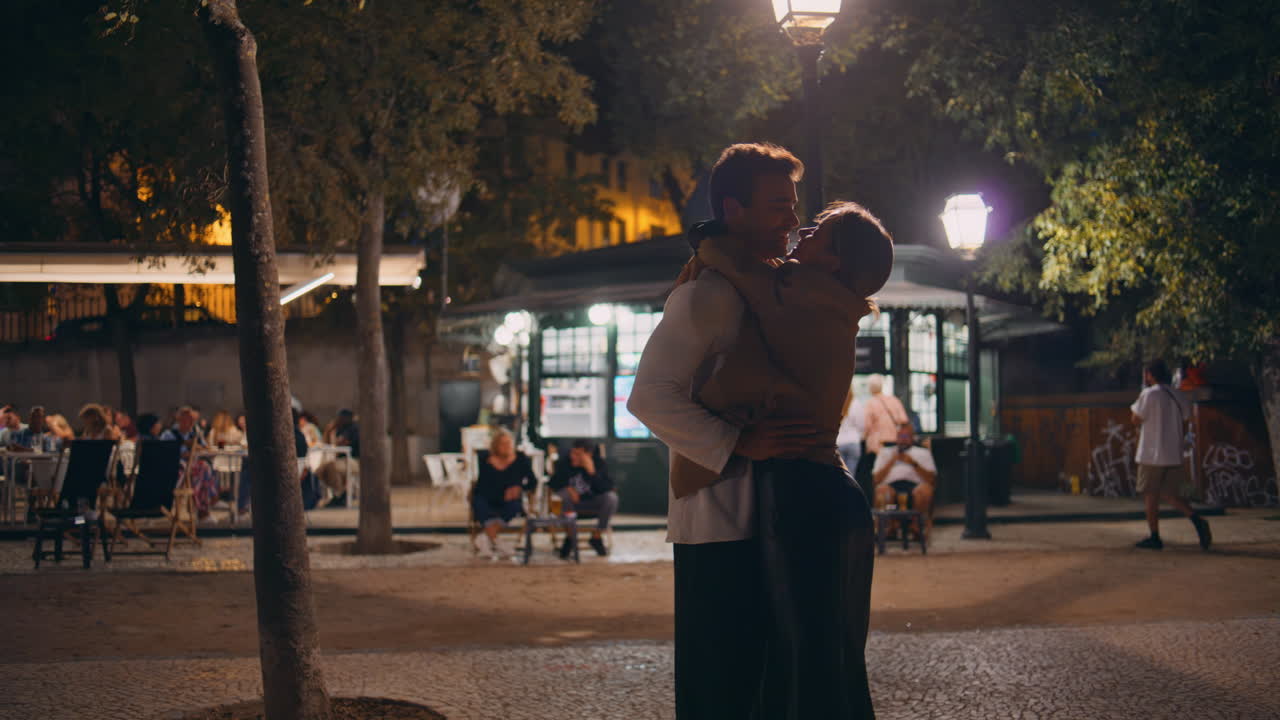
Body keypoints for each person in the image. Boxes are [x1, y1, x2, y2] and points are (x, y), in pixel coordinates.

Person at [628, 143, 825, 719]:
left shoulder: (769, 287)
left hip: (774, 509)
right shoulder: (707, 294)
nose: (791, 219)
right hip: (719, 519)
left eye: (792, 205)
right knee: (724, 682)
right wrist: (739, 442)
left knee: (768, 679)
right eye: (776, 206)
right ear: (734, 210)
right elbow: (649, 395)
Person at [687, 198, 890, 719]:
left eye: (819, 231)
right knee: (834, 657)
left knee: (802, 660)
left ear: (835, 260)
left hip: (803, 494)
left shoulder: (802, 294)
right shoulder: (833, 303)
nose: (803, 232)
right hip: (830, 492)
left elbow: (740, 272)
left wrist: (710, 243)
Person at [1132, 359, 1211, 551]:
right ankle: (1196, 519)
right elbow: (1185, 423)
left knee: (1150, 495)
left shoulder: (1148, 394)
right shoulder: (1178, 395)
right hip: (1172, 453)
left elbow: (1135, 419)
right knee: (1168, 493)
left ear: (1150, 374)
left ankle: (1154, 536)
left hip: (1151, 453)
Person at [471, 429, 537, 560]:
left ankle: (485, 538)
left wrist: (519, 488)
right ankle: (497, 542)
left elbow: (533, 481)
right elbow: (481, 486)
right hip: (487, 497)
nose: (507, 447)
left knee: (514, 506)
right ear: (496, 446)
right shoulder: (487, 460)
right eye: (503, 444)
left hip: (510, 500)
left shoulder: (520, 459)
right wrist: (500, 493)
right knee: (479, 502)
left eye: (509, 443)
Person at [548, 439, 618, 558]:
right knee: (561, 496)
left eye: (578, 454)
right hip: (570, 506)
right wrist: (569, 488)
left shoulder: (598, 463)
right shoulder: (565, 462)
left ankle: (596, 537)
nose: (573, 456)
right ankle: (570, 536)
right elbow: (552, 484)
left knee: (611, 498)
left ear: (588, 455)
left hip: (592, 502)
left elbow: (607, 487)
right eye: (572, 453)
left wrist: (592, 472)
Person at [871, 422, 938, 530]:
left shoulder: (922, 453)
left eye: (906, 436)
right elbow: (876, 479)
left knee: (924, 491)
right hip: (890, 484)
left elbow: (932, 479)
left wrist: (913, 463)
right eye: (900, 436)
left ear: (912, 438)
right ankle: (889, 528)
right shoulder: (885, 452)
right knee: (882, 492)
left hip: (916, 485)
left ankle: (916, 528)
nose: (903, 439)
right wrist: (892, 461)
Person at [856, 374, 909, 498]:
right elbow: (904, 420)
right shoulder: (894, 400)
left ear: (870, 388)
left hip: (877, 447)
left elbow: (866, 427)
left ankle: (880, 505)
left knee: (877, 477)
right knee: (894, 475)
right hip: (895, 444)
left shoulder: (870, 403)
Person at [318, 408, 360, 507]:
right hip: (341, 459)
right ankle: (340, 494)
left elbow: (341, 443)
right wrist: (329, 430)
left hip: (355, 460)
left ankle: (340, 495)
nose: (338, 419)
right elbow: (329, 443)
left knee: (331, 467)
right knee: (320, 470)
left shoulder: (354, 428)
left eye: (340, 417)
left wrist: (337, 441)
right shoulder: (339, 429)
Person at [837, 387, 866, 476]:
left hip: (837, 443)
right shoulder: (856, 404)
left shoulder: (834, 403)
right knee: (850, 476)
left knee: (837, 476)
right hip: (853, 443)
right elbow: (861, 425)